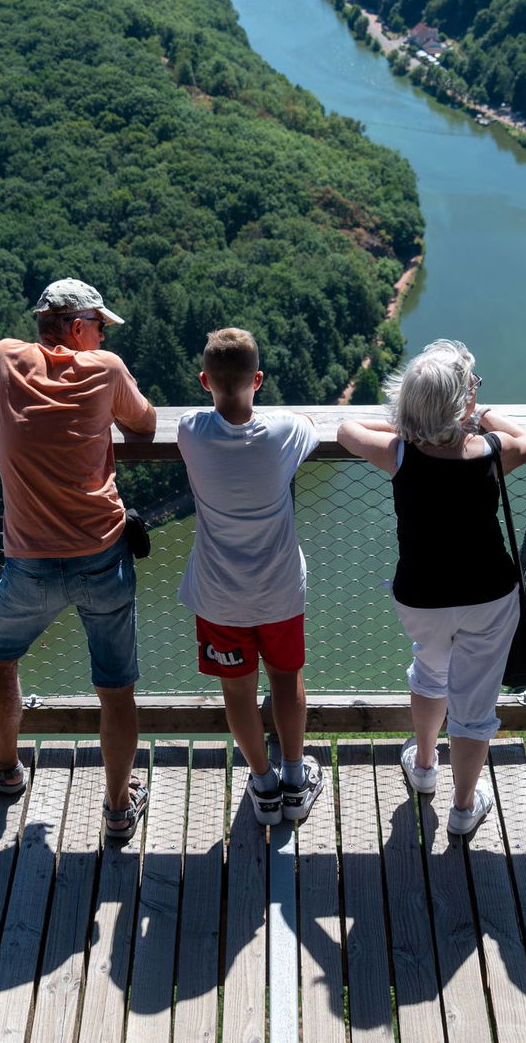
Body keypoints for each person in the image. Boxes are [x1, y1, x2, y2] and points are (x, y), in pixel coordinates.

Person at [0, 277, 158, 844]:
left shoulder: (4, 358)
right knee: (116, 690)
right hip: (103, 556)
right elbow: (146, 424)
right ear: (75, 327)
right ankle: (118, 807)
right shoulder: (108, 370)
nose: (103, 335)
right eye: (98, 326)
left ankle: (5, 767)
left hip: (30, 563)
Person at [338, 340, 526, 836]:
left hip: (422, 596)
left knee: (429, 668)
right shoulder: (489, 453)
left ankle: (424, 766)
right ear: (462, 401)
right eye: (472, 387)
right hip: (489, 594)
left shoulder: (401, 455)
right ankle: (464, 807)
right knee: (474, 702)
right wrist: (482, 415)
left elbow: (346, 429)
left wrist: (412, 427)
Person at [177, 328, 324, 825]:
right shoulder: (283, 434)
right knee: (287, 683)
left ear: (204, 381)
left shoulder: (190, 432)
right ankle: (294, 779)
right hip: (280, 591)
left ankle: (262, 787)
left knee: (237, 692)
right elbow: (305, 422)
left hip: (219, 597)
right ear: (258, 379)